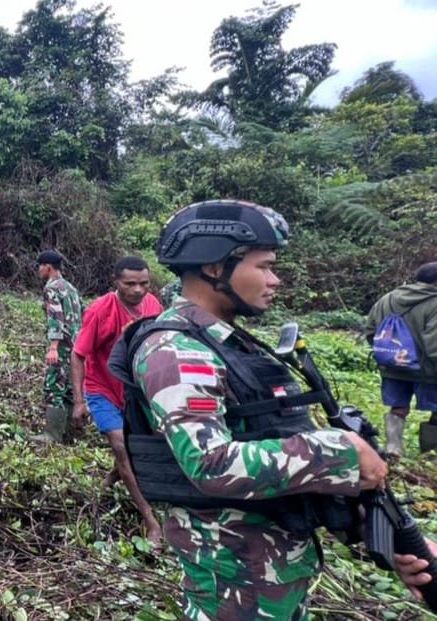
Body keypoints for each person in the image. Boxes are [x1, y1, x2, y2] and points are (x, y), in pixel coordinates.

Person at [110, 199, 437, 618]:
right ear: (214, 268)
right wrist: (341, 452)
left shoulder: (228, 343)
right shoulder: (176, 350)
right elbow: (210, 463)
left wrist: (383, 535)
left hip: (271, 567)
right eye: (264, 266)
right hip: (235, 580)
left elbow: (274, 444)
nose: (275, 279)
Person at [71, 256, 163, 543]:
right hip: (102, 389)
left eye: (144, 283)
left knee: (138, 445)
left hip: (137, 391)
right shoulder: (99, 310)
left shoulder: (153, 306)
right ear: (116, 282)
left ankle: (111, 479)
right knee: (121, 445)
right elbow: (78, 354)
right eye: (130, 284)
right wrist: (78, 401)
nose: (138, 290)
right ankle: (151, 520)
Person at [365, 262, 437, 457]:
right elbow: (434, 345)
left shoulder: (387, 298)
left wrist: (390, 353)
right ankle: (431, 454)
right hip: (428, 371)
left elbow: (371, 330)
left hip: (392, 366)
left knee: (398, 407)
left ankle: (394, 448)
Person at [33, 250, 82, 442]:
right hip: (76, 346)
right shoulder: (70, 288)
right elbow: (82, 314)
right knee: (69, 386)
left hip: (62, 345)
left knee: (54, 386)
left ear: (48, 267)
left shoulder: (51, 288)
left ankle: (52, 434)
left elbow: (56, 318)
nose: (39, 270)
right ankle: (68, 433)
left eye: (40, 266)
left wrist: (53, 347)